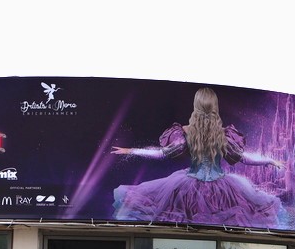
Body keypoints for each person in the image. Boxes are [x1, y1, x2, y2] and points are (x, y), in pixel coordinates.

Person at [111, 87, 285, 228]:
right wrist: (269, 160)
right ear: (215, 107)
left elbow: (161, 153)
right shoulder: (222, 134)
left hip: (190, 184)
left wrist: (132, 151)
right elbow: (244, 157)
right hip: (221, 187)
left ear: (196, 106)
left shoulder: (186, 132)